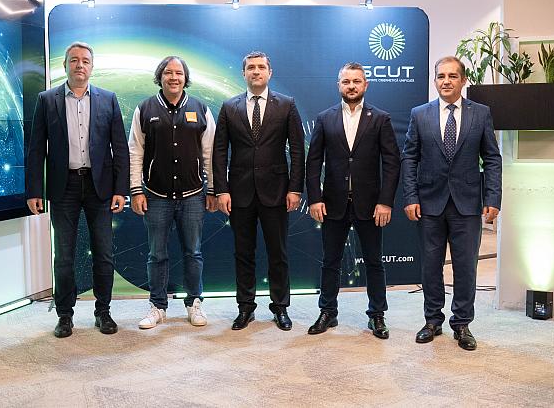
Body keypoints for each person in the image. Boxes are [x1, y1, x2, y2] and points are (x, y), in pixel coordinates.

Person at [26, 41, 129, 338]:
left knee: (104, 254)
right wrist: (34, 190)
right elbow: (36, 149)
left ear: (92, 67)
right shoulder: (47, 100)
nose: (79, 65)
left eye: (85, 60)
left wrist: (120, 189)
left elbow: (119, 148)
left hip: (100, 187)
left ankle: (103, 312)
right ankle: (64, 315)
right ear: (65, 65)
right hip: (64, 187)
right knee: (64, 256)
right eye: (74, 60)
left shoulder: (108, 99)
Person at [401, 56, 502, 351]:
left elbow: (492, 158)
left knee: (466, 267)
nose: (446, 81)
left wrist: (492, 197)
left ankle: (462, 324)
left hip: (467, 204)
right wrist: (410, 197)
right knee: (431, 267)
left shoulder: (480, 114)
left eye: (452, 76)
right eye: (441, 76)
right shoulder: (420, 114)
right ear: (435, 80)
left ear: (463, 80)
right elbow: (410, 158)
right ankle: (432, 320)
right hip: (429, 204)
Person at [305, 62, 400, 338]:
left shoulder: (380, 118)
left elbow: (392, 163)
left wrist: (385, 201)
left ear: (365, 84)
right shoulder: (325, 118)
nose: (351, 86)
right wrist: (314, 199)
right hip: (332, 203)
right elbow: (313, 162)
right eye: (346, 81)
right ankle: (327, 312)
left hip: (370, 205)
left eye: (356, 81)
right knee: (330, 261)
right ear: (339, 85)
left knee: (374, 262)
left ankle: (377, 315)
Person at [213, 51, 305, 331]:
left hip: (276, 192)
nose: (256, 71)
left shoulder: (286, 105)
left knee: (278, 253)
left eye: (261, 67)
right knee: (243, 253)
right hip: (239, 193)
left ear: (269, 72)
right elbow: (219, 151)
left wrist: (295, 189)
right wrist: (221, 190)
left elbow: (298, 150)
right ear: (244, 73)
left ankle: (280, 307)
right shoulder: (229, 106)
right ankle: (245, 308)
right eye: (251, 67)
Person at [128, 56, 217, 329]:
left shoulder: (200, 109)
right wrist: (136, 190)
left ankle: (194, 304)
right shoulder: (145, 109)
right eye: (168, 72)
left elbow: (210, 153)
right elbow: (135, 151)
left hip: (193, 196)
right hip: (156, 196)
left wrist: (213, 189)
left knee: (194, 253)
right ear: (160, 77)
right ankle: (158, 306)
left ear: (185, 78)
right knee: (157, 254)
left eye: (179, 73)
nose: (174, 77)